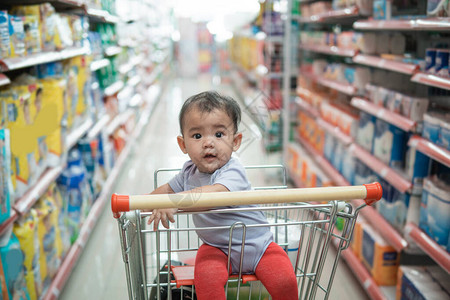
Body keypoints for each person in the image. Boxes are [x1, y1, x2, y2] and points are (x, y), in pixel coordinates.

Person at [147, 91, 298, 300]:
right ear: (183, 145)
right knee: (206, 279)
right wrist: (137, 205)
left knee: (284, 281)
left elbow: (212, 195)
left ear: (235, 142)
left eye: (219, 134)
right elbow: (164, 191)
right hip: (216, 249)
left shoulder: (232, 170)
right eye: (197, 136)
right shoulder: (188, 172)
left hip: (259, 246)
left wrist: (173, 202)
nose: (208, 143)